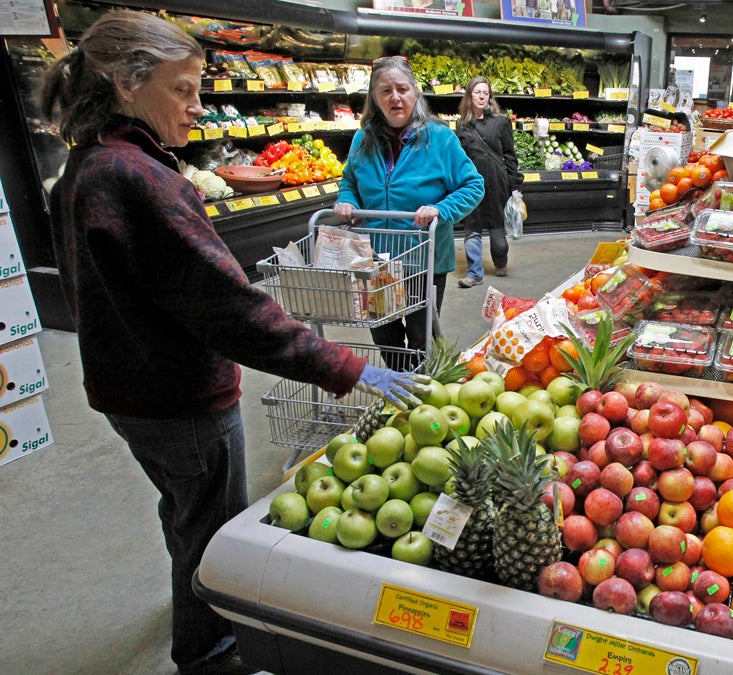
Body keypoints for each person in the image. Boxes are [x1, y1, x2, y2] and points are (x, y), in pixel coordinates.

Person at [40, 11, 429, 675]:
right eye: (183, 90)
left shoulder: (84, 166)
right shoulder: (141, 181)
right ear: (128, 85)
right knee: (211, 527)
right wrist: (344, 363)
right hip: (180, 397)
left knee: (183, 507)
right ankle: (209, 649)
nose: (199, 107)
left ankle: (190, 595)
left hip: (124, 388)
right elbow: (231, 309)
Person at [334, 56, 484, 353]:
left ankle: (417, 392)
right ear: (374, 99)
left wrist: (441, 209)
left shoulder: (440, 138)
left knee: (421, 338)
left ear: (415, 93)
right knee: (385, 338)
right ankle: (401, 390)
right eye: (385, 91)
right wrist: (346, 200)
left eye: (402, 89)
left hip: (423, 259)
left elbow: (473, 185)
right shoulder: (362, 140)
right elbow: (350, 180)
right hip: (377, 260)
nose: (395, 97)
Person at [455, 76, 522, 288]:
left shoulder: (501, 122)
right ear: (469, 96)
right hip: (471, 182)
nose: (482, 96)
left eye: (486, 93)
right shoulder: (462, 124)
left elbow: (510, 155)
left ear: (490, 97)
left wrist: (515, 186)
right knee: (471, 225)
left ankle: (500, 262)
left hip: (497, 180)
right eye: (477, 92)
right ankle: (474, 273)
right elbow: (459, 156)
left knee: (496, 225)